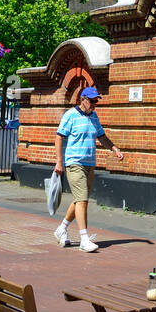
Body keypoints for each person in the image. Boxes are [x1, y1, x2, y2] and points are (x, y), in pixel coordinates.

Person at [53, 86, 123, 253]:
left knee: (79, 199)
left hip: (89, 164)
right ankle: (84, 239)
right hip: (74, 163)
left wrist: (114, 149)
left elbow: (101, 136)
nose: (94, 105)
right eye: (91, 101)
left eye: (96, 101)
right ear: (82, 99)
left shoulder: (94, 116)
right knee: (82, 200)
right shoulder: (70, 115)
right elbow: (59, 137)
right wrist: (59, 162)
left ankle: (61, 229)